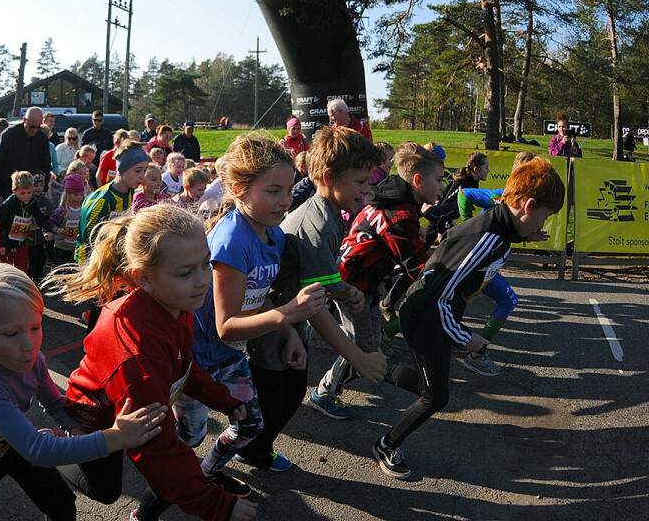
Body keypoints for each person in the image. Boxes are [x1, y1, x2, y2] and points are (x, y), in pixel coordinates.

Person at [52, 205, 259, 521]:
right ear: (143, 279)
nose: (203, 280)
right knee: (106, 493)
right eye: (186, 272)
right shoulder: (140, 355)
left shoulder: (177, 303)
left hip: (134, 409)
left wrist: (223, 400)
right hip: (94, 418)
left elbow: (183, 367)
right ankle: (51, 449)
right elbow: (156, 449)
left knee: (173, 466)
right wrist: (218, 505)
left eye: (207, 264)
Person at [372, 159, 564, 480]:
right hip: (426, 316)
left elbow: (494, 243)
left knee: (428, 386)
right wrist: (466, 339)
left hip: (430, 314)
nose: (542, 224)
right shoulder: (488, 236)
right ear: (528, 205)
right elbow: (439, 298)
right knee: (436, 397)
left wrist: (525, 237)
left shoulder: (501, 224)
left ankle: (371, 367)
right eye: (544, 216)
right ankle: (385, 444)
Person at [0, 258, 166, 520]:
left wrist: (75, 430)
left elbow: (55, 405)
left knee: (62, 504)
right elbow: (38, 450)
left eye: (35, 327)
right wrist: (116, 437)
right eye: (12, 334)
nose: (29, 345)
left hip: (15, 444)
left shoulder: (33, 359)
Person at [240, 126, 387, 469]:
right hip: (272, 321)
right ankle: (250, 448)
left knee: (286, 390)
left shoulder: (330, 214)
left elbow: (321, 274)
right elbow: (316, 306)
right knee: (279, 392)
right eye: (361, 182)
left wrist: (344, 289)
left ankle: (254, 443)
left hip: (289, 318)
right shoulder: (316, 223)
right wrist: (359, 358)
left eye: (370, 182)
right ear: (330, 176)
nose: (368, 190)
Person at [181, 135, 325, 481]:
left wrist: (288, 332)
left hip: (229, 357)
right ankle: (159, 468)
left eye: (289, 190)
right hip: (195, 360)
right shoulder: (232, 240)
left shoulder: (272, 234)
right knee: (190, 436)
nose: (285, 201)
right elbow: (226, 325)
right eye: (273, 191)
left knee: (251, 426)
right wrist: (290, 313)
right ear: (239, 190)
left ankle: (206, 474)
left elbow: (257, 295)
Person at [308, 142, 443, 420]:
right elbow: (417, 268)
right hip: (352, 285)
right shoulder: (401, 212)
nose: (442, 187)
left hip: (363, 281)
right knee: (360, 347)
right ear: (418, 181)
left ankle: (330, 385)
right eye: (439, 180)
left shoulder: (395, 195)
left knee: (368, 344)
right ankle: (324, 393)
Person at [453, 151, 542, 376]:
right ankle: (476, 355)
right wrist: (470, 227)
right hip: (471, 263)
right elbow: (464, 194)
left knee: (444, 306)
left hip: (483, 266)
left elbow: (509, 231)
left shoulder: (524, 203)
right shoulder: (501, 197)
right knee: (435, 305)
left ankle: (476, 354)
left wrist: (526, 237)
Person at [75, 142, 149, 265]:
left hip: (111, 256)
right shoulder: (103, 201)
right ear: (122, 170)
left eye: (145, 171)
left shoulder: (130, 191)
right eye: (138, 171)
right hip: (91, 260)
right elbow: (88, 241)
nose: (142, 176)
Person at [0, 108, 53, 212]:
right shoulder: (8, 135)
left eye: (38, 127)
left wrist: (42, 190)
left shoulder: (42, 139)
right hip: (7, 190)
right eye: (32, 126)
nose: (35, 130)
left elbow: (46, 167)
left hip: (31, 194)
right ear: (24, 120)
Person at [423, 151, 489, 247]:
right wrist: (442, 229)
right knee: (458, 242)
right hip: (440, 218)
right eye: (486, 168)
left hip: (444, 219)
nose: (488, 170)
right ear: (476, 169)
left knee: (425, 244)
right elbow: (445, 204)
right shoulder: (463, 182)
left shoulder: (473, 181)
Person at [0, 171, 54, 276]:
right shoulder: (7, 206)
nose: (27, 196)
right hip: (7, 245)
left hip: (22, 244)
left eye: (29, 192)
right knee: (6, 271)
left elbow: (40, 218)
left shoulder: (32, 203)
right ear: (14, 191)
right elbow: (0, 227)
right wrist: (1, 244)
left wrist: (47, 230)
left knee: (22, 270)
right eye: (22, 193)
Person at [50, 174, 86, 265]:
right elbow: (51, 223)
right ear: (68, 195)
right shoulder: (62, 210)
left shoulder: (84, 209)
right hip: (62, 247)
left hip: (76, 247)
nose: (79, 197)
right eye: (75, 195)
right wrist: (56, 230)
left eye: (81, 194)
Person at [28, 173, 54, 281]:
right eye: (36, 185)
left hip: (40, 231)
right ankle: (31, 272)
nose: (38, 188)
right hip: (29, 232)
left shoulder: (45, 200)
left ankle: (39, 271)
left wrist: (48, 228)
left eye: (41, 186)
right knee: (31, 253)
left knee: (41, 253)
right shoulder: (29, 200)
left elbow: (50, 215)